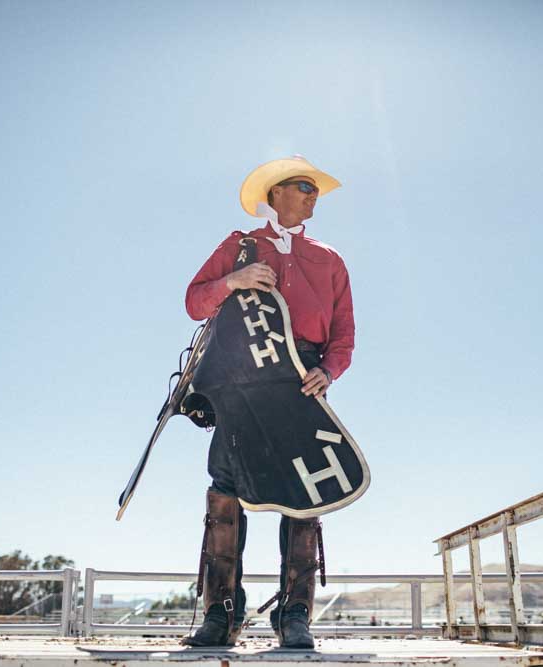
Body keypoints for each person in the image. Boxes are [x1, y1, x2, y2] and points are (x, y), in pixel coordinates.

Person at [182, 156, 355, 649]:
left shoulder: (330, 259)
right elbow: (195, 302)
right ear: (276, 192)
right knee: (226, 488)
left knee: (304, 491)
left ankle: (294, 614)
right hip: (241, 378)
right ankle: (222, 613)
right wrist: (231, 282)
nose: (313, 194)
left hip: (301, 380)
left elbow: (344, 334)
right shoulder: (240, 246)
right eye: (304, 186)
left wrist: (329, 370)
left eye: (315, 188)